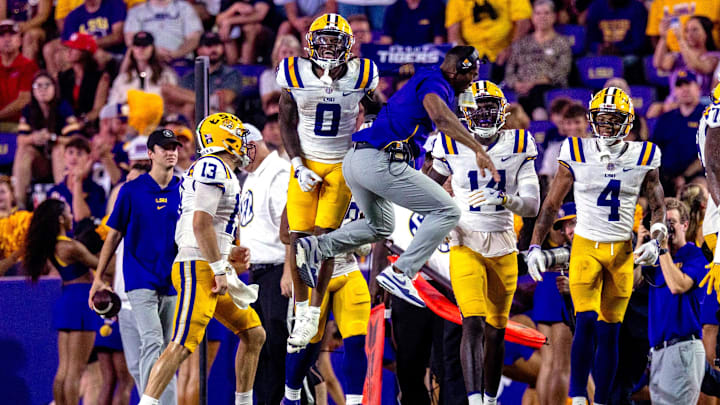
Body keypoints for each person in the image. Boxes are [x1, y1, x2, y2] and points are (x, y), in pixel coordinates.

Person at [293, 45, 497, 338]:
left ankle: (317, 247)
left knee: (382, 225)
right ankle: (401, 274)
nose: (473, 80)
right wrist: (477, 148)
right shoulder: (435, 81)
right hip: (381, 159)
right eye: (471, 74)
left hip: (357, 160)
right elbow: (439, 117)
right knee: (448, 210)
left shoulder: (434, 83)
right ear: (455, 70)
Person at [526, 86, 667, 405]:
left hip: (622, 252)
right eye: (601, 119)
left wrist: (656, 240)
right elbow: (550, 205)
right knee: (587, 320)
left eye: (612, 119)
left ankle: (600, 400)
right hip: (586, 247)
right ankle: (577, 397)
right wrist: (536, 245)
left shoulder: (645, 155)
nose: (605, 126)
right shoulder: (575, 150)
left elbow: (657, 206)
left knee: (610, 331)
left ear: (627, 122)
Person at [138, 112, 265, 405]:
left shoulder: (217, 168)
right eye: (241, 137)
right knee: (182, 344)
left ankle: (243, 402)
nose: (246, 145)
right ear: (226, 138)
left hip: (209, 263)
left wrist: (228, 251)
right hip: (200, 267)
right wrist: (220, 267)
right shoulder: (213, 166)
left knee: (254, 334)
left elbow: (202, 224)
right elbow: (200, 223)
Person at [426, 80, 540, 405]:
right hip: (465, 242)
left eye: (491, 107)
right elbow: (423, 187)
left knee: (496, 331)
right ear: (465, 112)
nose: (485, 114)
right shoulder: (448, 143)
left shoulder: (519, 143)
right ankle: (475, 401)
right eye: (479, 108)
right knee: (472, 321)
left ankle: (489, 400)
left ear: (502, 111)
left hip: (504, 246)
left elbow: (532, 205)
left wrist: (504, 197)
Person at [276, 13, 381, 351]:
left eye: (336, 41)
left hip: (340, 163)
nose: (329, 47)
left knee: (326, 240)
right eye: (324, 40)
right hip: (305, 161)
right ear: (312, 42)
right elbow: (286, 121)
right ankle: (302, 307)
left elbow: (377, 109)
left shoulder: (361, 74)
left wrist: (371, 131)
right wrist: (296, 162)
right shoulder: (295, 73)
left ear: (348, 46)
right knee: (297, 237)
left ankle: (313, 310)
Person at [89, 129, 183, 405]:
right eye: (164, 148)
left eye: (174, 147)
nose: (171, 152)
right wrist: (98, 278)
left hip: (172, 279)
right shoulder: (131, 191)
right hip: (139, 278)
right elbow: (113, 235)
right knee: (153, 339)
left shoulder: (185, 189)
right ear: (151, 154)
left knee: (167, 349)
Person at [24, 198, 101, 405]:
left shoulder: (53, 246)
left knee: (65, 370)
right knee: (75, 371)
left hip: (67, 300)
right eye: (68, 212)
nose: (71, 216)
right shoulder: (70, 247)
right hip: (80, 302)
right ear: (60, 219)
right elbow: (102, 267)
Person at [238, 124, 291, 405]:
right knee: (262, 352)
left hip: (276, 272)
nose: (236, 158)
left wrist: (288, 272)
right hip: (257, 274)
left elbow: (290, 225)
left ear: (253, 145)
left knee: (280, 349)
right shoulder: (254, 176)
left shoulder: (278, 173)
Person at [642, 197, 707, 404]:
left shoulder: (695, 255)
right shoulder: (658, 257)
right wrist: (639, 243)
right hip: (659, 351)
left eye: (671, 223)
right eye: (663, 224)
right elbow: (633, 282)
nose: (667, 229)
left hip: (683, 349)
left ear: (685, 225)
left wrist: (662, 248)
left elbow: (677, 286)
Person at [13, 71, 82, 209]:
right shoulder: (29, 109)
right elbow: (20, 139)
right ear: (33, 90)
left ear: (54, 88)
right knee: (24, 150)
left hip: (62, 162)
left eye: (47, 85)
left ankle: (62, 199)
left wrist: (52, 138)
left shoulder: (63, 107)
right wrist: (34, 138)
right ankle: (19, 203)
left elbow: (75, 138)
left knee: (58, 149)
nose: (42, 89)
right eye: (38, 86)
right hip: (40, 164)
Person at [533, 202, 576, 405]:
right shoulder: (579, 247)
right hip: (560, 287)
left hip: (545, 286)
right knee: (561, 364)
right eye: (567, 225)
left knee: (548, 363)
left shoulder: (554, 245)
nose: (569, 230)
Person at [504, 0, 572, 119]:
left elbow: (561, 72)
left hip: (548, 87)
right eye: (538, 13)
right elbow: (509, 71)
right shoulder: (521, 43)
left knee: (536, 91)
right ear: (532, 17)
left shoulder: (562, 43)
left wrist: (533, 83)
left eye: (546, 13)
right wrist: (516, 84)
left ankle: (540, 122)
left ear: (554, 16)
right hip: (521, 90)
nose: (542, 17)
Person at [650, 69, 705, 195]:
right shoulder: (666, 118)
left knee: (697, 191)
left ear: (698, 87)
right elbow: (654, 149)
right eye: (679, 85)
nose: (684, 89)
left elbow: (708, 155)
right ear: (674, 91)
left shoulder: (707, 117)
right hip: (665, 176)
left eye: (688, 84)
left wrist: (685, 177)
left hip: (695, 177)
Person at [445, 0, 531, 64]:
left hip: (506, 51)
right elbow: (453, 35)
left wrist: (512, 48)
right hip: (472, 53)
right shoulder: (455, 1)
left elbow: (524, 22)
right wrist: (464, 57)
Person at [654, 15, 719, 97]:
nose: (689, 34)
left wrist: (681, 40)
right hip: (675, 102)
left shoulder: (714, 57)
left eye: (694, 30)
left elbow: (697, 66)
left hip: (700, 103)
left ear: (706, 33)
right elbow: (658, 64)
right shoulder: (677, 56)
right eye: (686, 30)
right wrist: (663, 37)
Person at [48, 135, 108, 222]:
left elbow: (81, 218)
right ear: (64, 156)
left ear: (88, 158)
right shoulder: (54, 191)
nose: (74, 157)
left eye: (79, 153)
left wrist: (78, 181)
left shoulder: (97, 191)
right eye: (70, 152)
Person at [108, 31, 178, 105]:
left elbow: (173, 106)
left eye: (145, 45)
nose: (141, 49)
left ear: (152, 49)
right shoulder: (122, 78)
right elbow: (112, 106)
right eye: (137, 45)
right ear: (132, 50)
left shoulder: (166, 75)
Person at [123, 0, 203, 62]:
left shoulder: (185, 8)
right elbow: (131, 39)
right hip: (148, 61)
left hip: (180, 60)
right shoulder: (136, 11)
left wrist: (176, 53)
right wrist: (153, 53)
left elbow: (194, 38)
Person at [58, 32, 110, 122]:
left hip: (89, 124)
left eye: (74, 48)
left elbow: (98, 109)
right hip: (66, 123)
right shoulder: (63, 76)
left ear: (85, 52)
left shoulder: (100, 77)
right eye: (69, 48)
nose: (69, 51)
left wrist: (82, 121)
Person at [0, 20, 38, 130]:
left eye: (12, 35)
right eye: (2, 35)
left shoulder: (28, 66)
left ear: (20, 41)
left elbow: (23, 100)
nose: (7, 39)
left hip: (20, 124)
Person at [380, 0, 446, 46]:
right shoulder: (393, 9)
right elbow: (386, 41)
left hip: (428, 59)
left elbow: (439, 43)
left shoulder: (436, 7)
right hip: (399, 59)